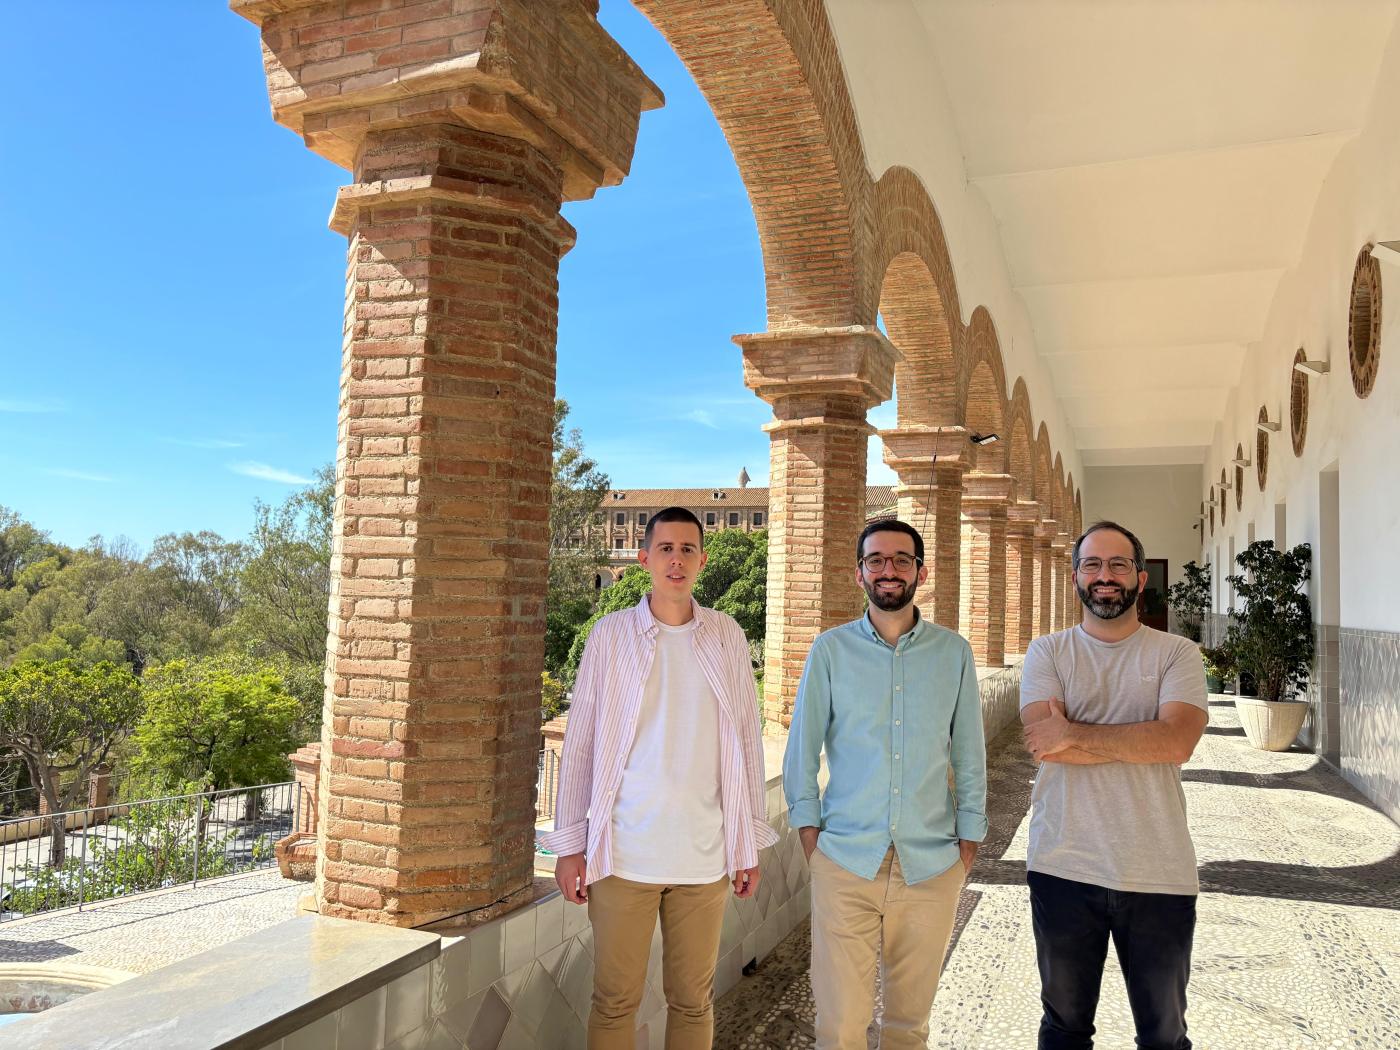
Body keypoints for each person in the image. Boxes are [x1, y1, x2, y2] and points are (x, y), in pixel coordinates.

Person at [538, 506, 775, 1050]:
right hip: (624, 856)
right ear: (644, 559)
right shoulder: (609, 636)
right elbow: (582, 744)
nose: (676, 559)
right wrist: (569, 848)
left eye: (687, 549)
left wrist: (747, 844)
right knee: (614, 1001)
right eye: (666, 548)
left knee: (693, 1002)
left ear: (702, 561)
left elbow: (745, 741)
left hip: (704, 859)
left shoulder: (727, 636)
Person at [784, 519, 987, 1050]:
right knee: (839, 1027)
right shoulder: (830, 651)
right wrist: (810, 835)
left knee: (908, 1029)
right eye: (876, 560)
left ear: (921, 571)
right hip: (845, 861)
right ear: (860, 574)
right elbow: (801, 748)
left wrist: (968, 840)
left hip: (931, 863)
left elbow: (969, 753)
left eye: (901, 559)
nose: (888, 570)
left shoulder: (954, 653)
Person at [1020, 520, 1210, 1050]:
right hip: (1063, 864)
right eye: (1093, 564)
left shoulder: (1176, 653)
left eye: (1118, 564)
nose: (1105, 575)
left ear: (1140, 578)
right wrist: (1139, 739)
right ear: (1075, 576)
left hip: (1159, 870)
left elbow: (1177, 743)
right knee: (1064, 1030)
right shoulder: (1047, 652)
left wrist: (1072, 733)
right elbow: (1043, 744)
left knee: (1164, 1035)